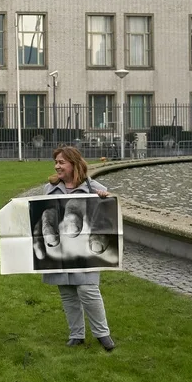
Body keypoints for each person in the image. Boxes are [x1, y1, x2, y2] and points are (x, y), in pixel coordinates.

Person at [44, 145, 116, 352]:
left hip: (85, 249)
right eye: (56, 162)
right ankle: (76, 334)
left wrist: (104, 198)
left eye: (61, 162)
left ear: (74, 164)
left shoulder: (93, 187)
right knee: (67, 292)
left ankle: (103, 334)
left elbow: (108, 213)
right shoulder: (49, 189)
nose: (57, 166)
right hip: (60, 250)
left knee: (88, 289)